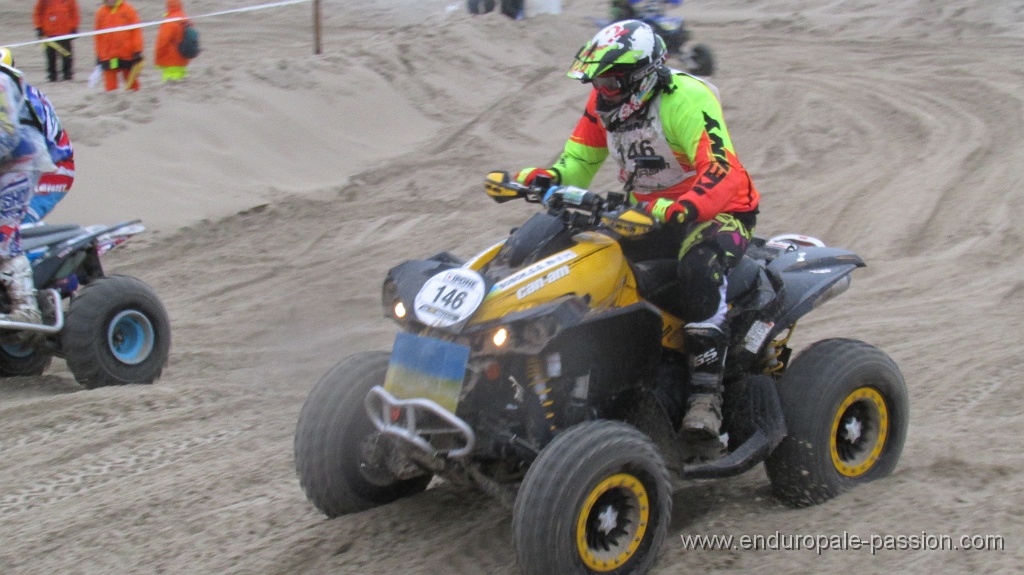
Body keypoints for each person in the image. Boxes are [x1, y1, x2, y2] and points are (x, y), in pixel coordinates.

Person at [513, 20, 759, 445]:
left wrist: (685, 207)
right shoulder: (604, 102)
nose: (602, 88)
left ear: (641, 75)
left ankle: (705, 397)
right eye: (598, 80)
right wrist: (546, 179)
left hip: (717, 212)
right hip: (647, 213)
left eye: (611, 80)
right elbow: (578, 163)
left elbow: (724, 171)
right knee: (580, 254)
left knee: (698, 265)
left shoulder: (685, 98)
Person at [0, 50, 55, 324]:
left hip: (17, 163)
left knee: (2, 234)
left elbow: (7, 135)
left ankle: (26, 307)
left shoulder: (1, 80)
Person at [0, 48, 75, 225]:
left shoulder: (22, 103)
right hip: (21, 167)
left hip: (52, 169)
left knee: (16, 221)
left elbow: (22, 144)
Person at [94, 0, 144, 92]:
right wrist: (99, 54)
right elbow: (98, 36)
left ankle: (135, 99)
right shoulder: (100, 13)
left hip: (126, 53)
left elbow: (136, 32)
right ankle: (112, 100)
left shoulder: (129, 10)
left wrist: (137, 50)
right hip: (108, 55)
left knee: (131, 81)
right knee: (110, 84)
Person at [33, 0, 81, 82]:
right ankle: (52, 75)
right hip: (49, 32)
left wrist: (74, 27)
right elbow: (38, 13)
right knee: (50, 55)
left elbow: (74, 12)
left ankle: (67, 74)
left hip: (65, 31)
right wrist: (39, 27)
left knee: (67, 54)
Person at [154, 0, 193, 83]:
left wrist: (158, 59)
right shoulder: (185, 19)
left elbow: (162, 42)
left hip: (170, 62)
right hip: (183, 61)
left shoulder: (169, 22)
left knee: (170, 88)